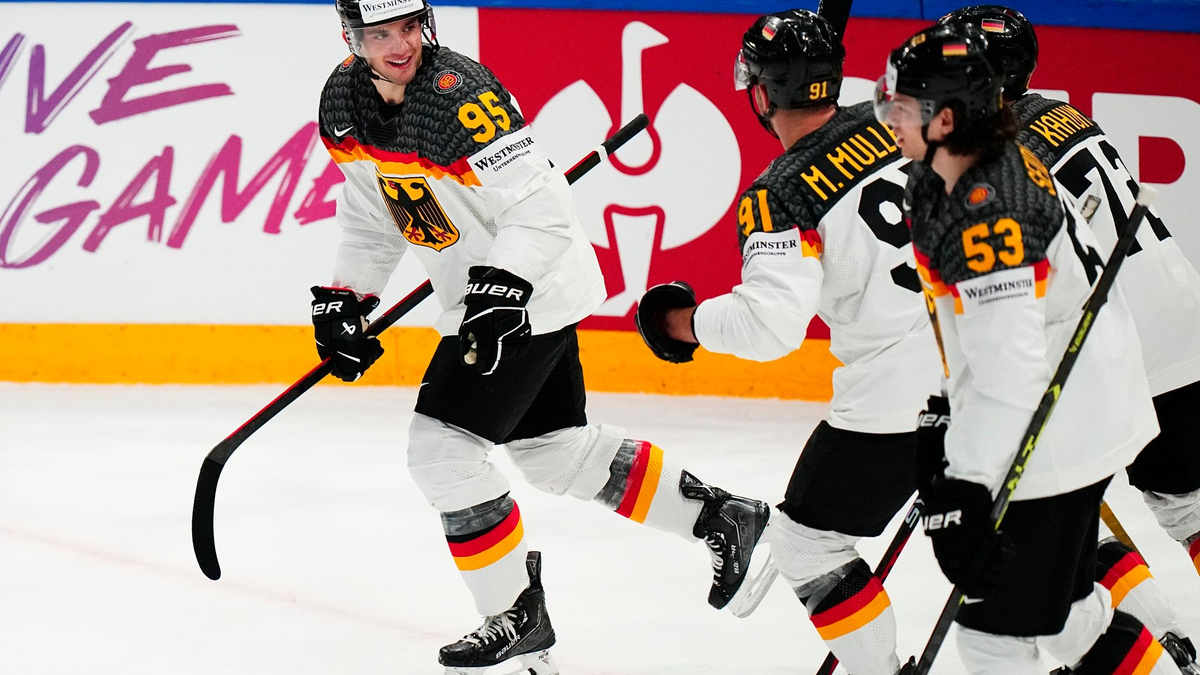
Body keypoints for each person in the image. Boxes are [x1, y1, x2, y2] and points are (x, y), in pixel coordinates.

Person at [312, 0, 770, 672]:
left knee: (441, 452)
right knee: (554, 451)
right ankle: (720, 516)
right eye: (381, 34)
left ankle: (513, 616)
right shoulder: (343, 103)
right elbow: (373, 209)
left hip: (527, 293)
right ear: (354, 38)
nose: (401, 44)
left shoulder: (463, 99)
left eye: (409, 27)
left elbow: (543, 208)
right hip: (493, 297)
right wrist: (350, 294)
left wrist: (504, 282)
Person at [636, 9, 943, 675]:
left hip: (896, 396)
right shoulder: (893, 117)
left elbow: (770, 328)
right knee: (1038, 521)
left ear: (758, 94)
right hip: (987, 353)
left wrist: (676, 323)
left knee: (804, 543)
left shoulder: (778, 193)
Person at [876, 21, 1181, 675]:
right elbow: (968, 331)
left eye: (901, 103)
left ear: (948, 117)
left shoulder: (994, 209)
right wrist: (942, 419)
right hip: (1063, 405)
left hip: (1063, 421)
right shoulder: (942, 174)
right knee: (1066, 615)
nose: (886, 113)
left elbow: (1011, 371)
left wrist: (966, 479)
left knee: (994, 635)